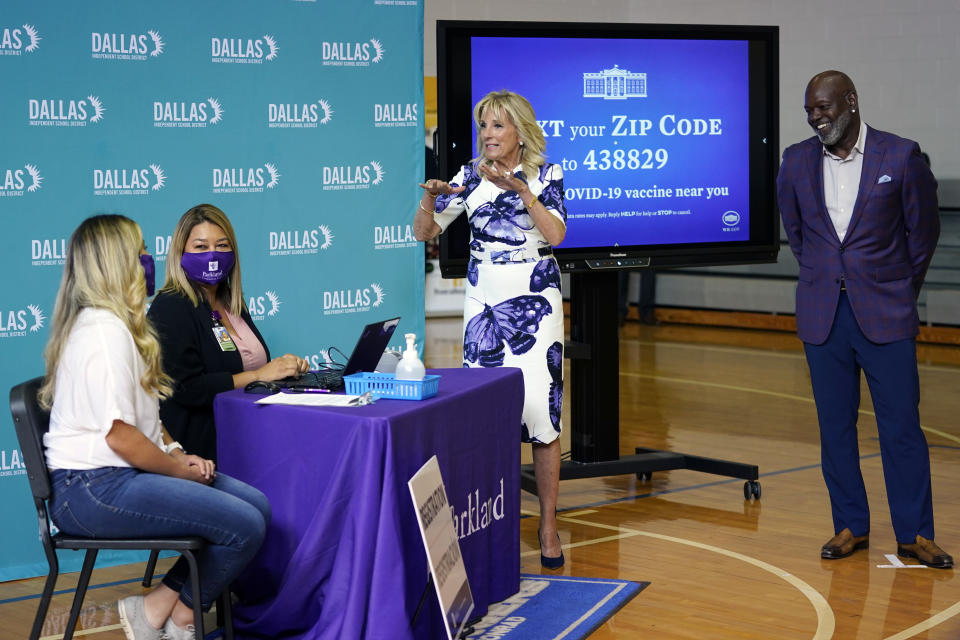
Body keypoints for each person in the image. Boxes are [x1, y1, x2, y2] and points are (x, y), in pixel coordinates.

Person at [39, 214, 271, 640]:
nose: (149, 259)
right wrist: (176, 470)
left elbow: (147, 419)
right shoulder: (103, 333)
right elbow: (120, 436)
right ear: (117, 263)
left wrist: (178, 451)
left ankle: (157, 610)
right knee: (245, 525)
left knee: (256, 506)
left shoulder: (123, 327)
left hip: (119, 477)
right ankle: (183, 618)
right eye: (140, 251)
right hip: (93, 489)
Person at [777, 70, 951, 568]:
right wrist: (826, 277)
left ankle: (915, 534)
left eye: (825, 107)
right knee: (835, 428)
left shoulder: (900, 156)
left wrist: (898, 289)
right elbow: (799, 233)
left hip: (886, 314)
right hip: (822, 315)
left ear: (851, 102)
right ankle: (850, 524)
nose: (817, 117)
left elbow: (923, 234)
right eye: (810, 110)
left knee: (901, 428)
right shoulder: (794, 161)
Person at [413, 90, 567, 568]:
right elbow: (425, 232)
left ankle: (547, 525)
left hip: (535, 297)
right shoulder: (468, 174)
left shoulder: (548, 175)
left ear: (520, 131)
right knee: (486, 416)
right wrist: (429, 198)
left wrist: (522, 191)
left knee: (541, 418)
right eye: (484, 126)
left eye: (497, 126)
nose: (488, 135)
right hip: (483, 300)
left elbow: (557, 234)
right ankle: (492, 525)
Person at [148, 204, 308, 460]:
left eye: (222, 246)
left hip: (250, 436)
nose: (212, 255)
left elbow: (247, 361)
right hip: (201, 453)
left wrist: (284, 369)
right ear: (180, 252)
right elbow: (188, 388)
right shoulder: (171, 305)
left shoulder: (231, 304)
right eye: (201, 246)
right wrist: (258, 375)